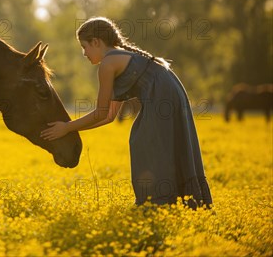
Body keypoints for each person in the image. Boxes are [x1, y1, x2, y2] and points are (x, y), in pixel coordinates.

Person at [40, 17, 212, 209]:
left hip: (162, 95)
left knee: (143, 142)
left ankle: (156, 204)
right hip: (170, 91)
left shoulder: (107, 64)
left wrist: (67, 127)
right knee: (153, 142)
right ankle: (173, 204)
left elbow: (100, 112)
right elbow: (109, 116)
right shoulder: (117, 57)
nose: (84, 53)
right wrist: (70, 129)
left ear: (96, 42)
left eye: (84, 47)